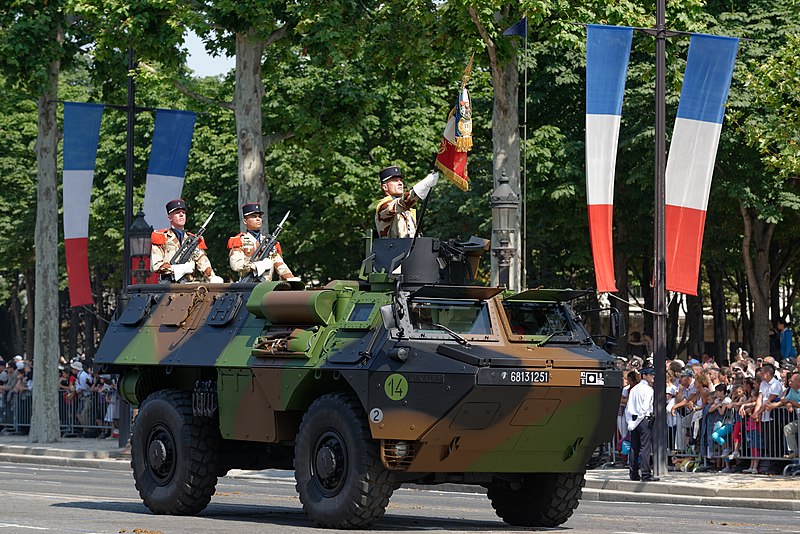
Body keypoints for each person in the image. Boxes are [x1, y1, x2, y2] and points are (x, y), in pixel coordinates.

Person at [151, 199, 222, 283]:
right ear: (170, 217)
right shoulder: (162, 237)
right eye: (177, 212)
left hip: (188, 284)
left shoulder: (191, 240)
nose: (181, 214)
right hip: (168, 283)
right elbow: (155, 265)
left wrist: (212, 277)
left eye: (183, 212)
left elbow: (201, 259)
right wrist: (176, 269)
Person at [228, 203, 297, 281]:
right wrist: (255, 266)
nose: (258, 219)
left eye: (259, 217)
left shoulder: (268, 242)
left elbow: (279, 264)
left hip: (265, 286)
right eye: (254, 217)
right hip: (247, 285)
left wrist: (290, 278)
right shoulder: (239, 240)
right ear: (245, 221)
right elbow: (236, 265)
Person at [373, 165, 439, 238]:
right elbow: (403, 203)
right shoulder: (384, 207)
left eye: (401, 180)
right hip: (393, 248)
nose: (400, 183)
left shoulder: (407, 211)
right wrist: (423, 185)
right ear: (385, 187)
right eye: (395, 180)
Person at [625, 367, 658, 481]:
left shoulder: (634, 389)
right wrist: (637, 421)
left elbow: (628, 408)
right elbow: (644, 409)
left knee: (634, 447)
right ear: (644, 376)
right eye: (651, 374)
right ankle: (646, 474)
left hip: (634, 419)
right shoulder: (648, 390)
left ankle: (633, 473)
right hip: (643, 420)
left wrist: (631, 422)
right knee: (645, 448)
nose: (653, 376)